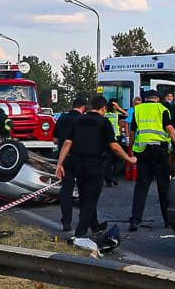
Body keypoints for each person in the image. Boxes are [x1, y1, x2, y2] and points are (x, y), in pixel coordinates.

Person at [56, 94, 136, 242]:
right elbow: (114, 146)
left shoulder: (78, 120)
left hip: (77, 163)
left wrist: (60, 163)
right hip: (94, 164)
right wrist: (129, 158)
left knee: (85, 196)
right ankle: (80, 234)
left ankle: (94, 226)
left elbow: (67, 142)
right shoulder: (103, 122)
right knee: (90, 199)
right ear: (104, 108)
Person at [129, 87, 175, 232]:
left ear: (146, 99)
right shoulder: (162, 109)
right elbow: (170, 129)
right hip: (159, 153)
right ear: (158, 99)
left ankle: (135, 220)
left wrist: (131, 150)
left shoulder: (138, 110)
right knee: (163, 186)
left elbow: (132, 132)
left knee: (141, 187)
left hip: (142, 151)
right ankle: (167, 220)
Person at [52, 95, 88, 232]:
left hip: (64, 159)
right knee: (83, 190)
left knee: (66, 191)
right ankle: (84, 222)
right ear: (83, 107)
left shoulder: (62, 118)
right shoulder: (83, 119)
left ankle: (66, 221)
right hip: (80, 158)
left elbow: (55, 139)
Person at [103, 99, 129, 186]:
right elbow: (127, 115)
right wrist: (119, 108)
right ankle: (114, 177)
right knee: (118, 159)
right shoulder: (117, 115)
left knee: (107, 160)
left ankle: (108, 180)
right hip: (116, 137)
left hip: (105, 138)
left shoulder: (104, 115)